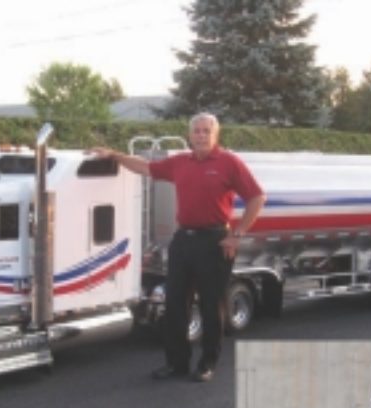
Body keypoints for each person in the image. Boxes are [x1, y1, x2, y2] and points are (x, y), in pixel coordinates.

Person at [89, 112, 265, 382]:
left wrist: (238, 234)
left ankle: (207, 364)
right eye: (197, 130)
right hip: (183, 240)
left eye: (207, 130)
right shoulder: (180, 162)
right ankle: (177, 364)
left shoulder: (229, 162)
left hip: (215, 241)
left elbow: (256, 197)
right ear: (189, 134)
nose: (202, 135)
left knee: (210, 306)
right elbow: (146, 167)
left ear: (216, 134)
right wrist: (114, 155)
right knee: (175, 305)